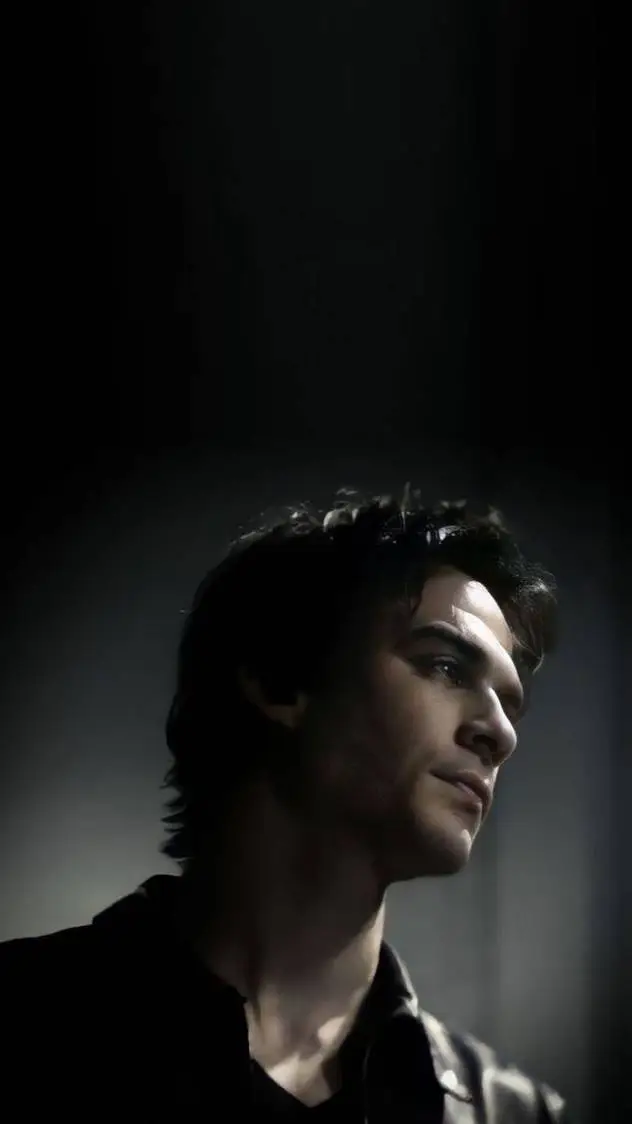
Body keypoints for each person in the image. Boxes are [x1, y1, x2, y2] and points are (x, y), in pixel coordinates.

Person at [1, 487, 569, 1121]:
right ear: (281, 678)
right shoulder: (22, 1027)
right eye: (445, 667)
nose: (501, 733)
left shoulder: (511, 1112)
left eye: (509, 703)